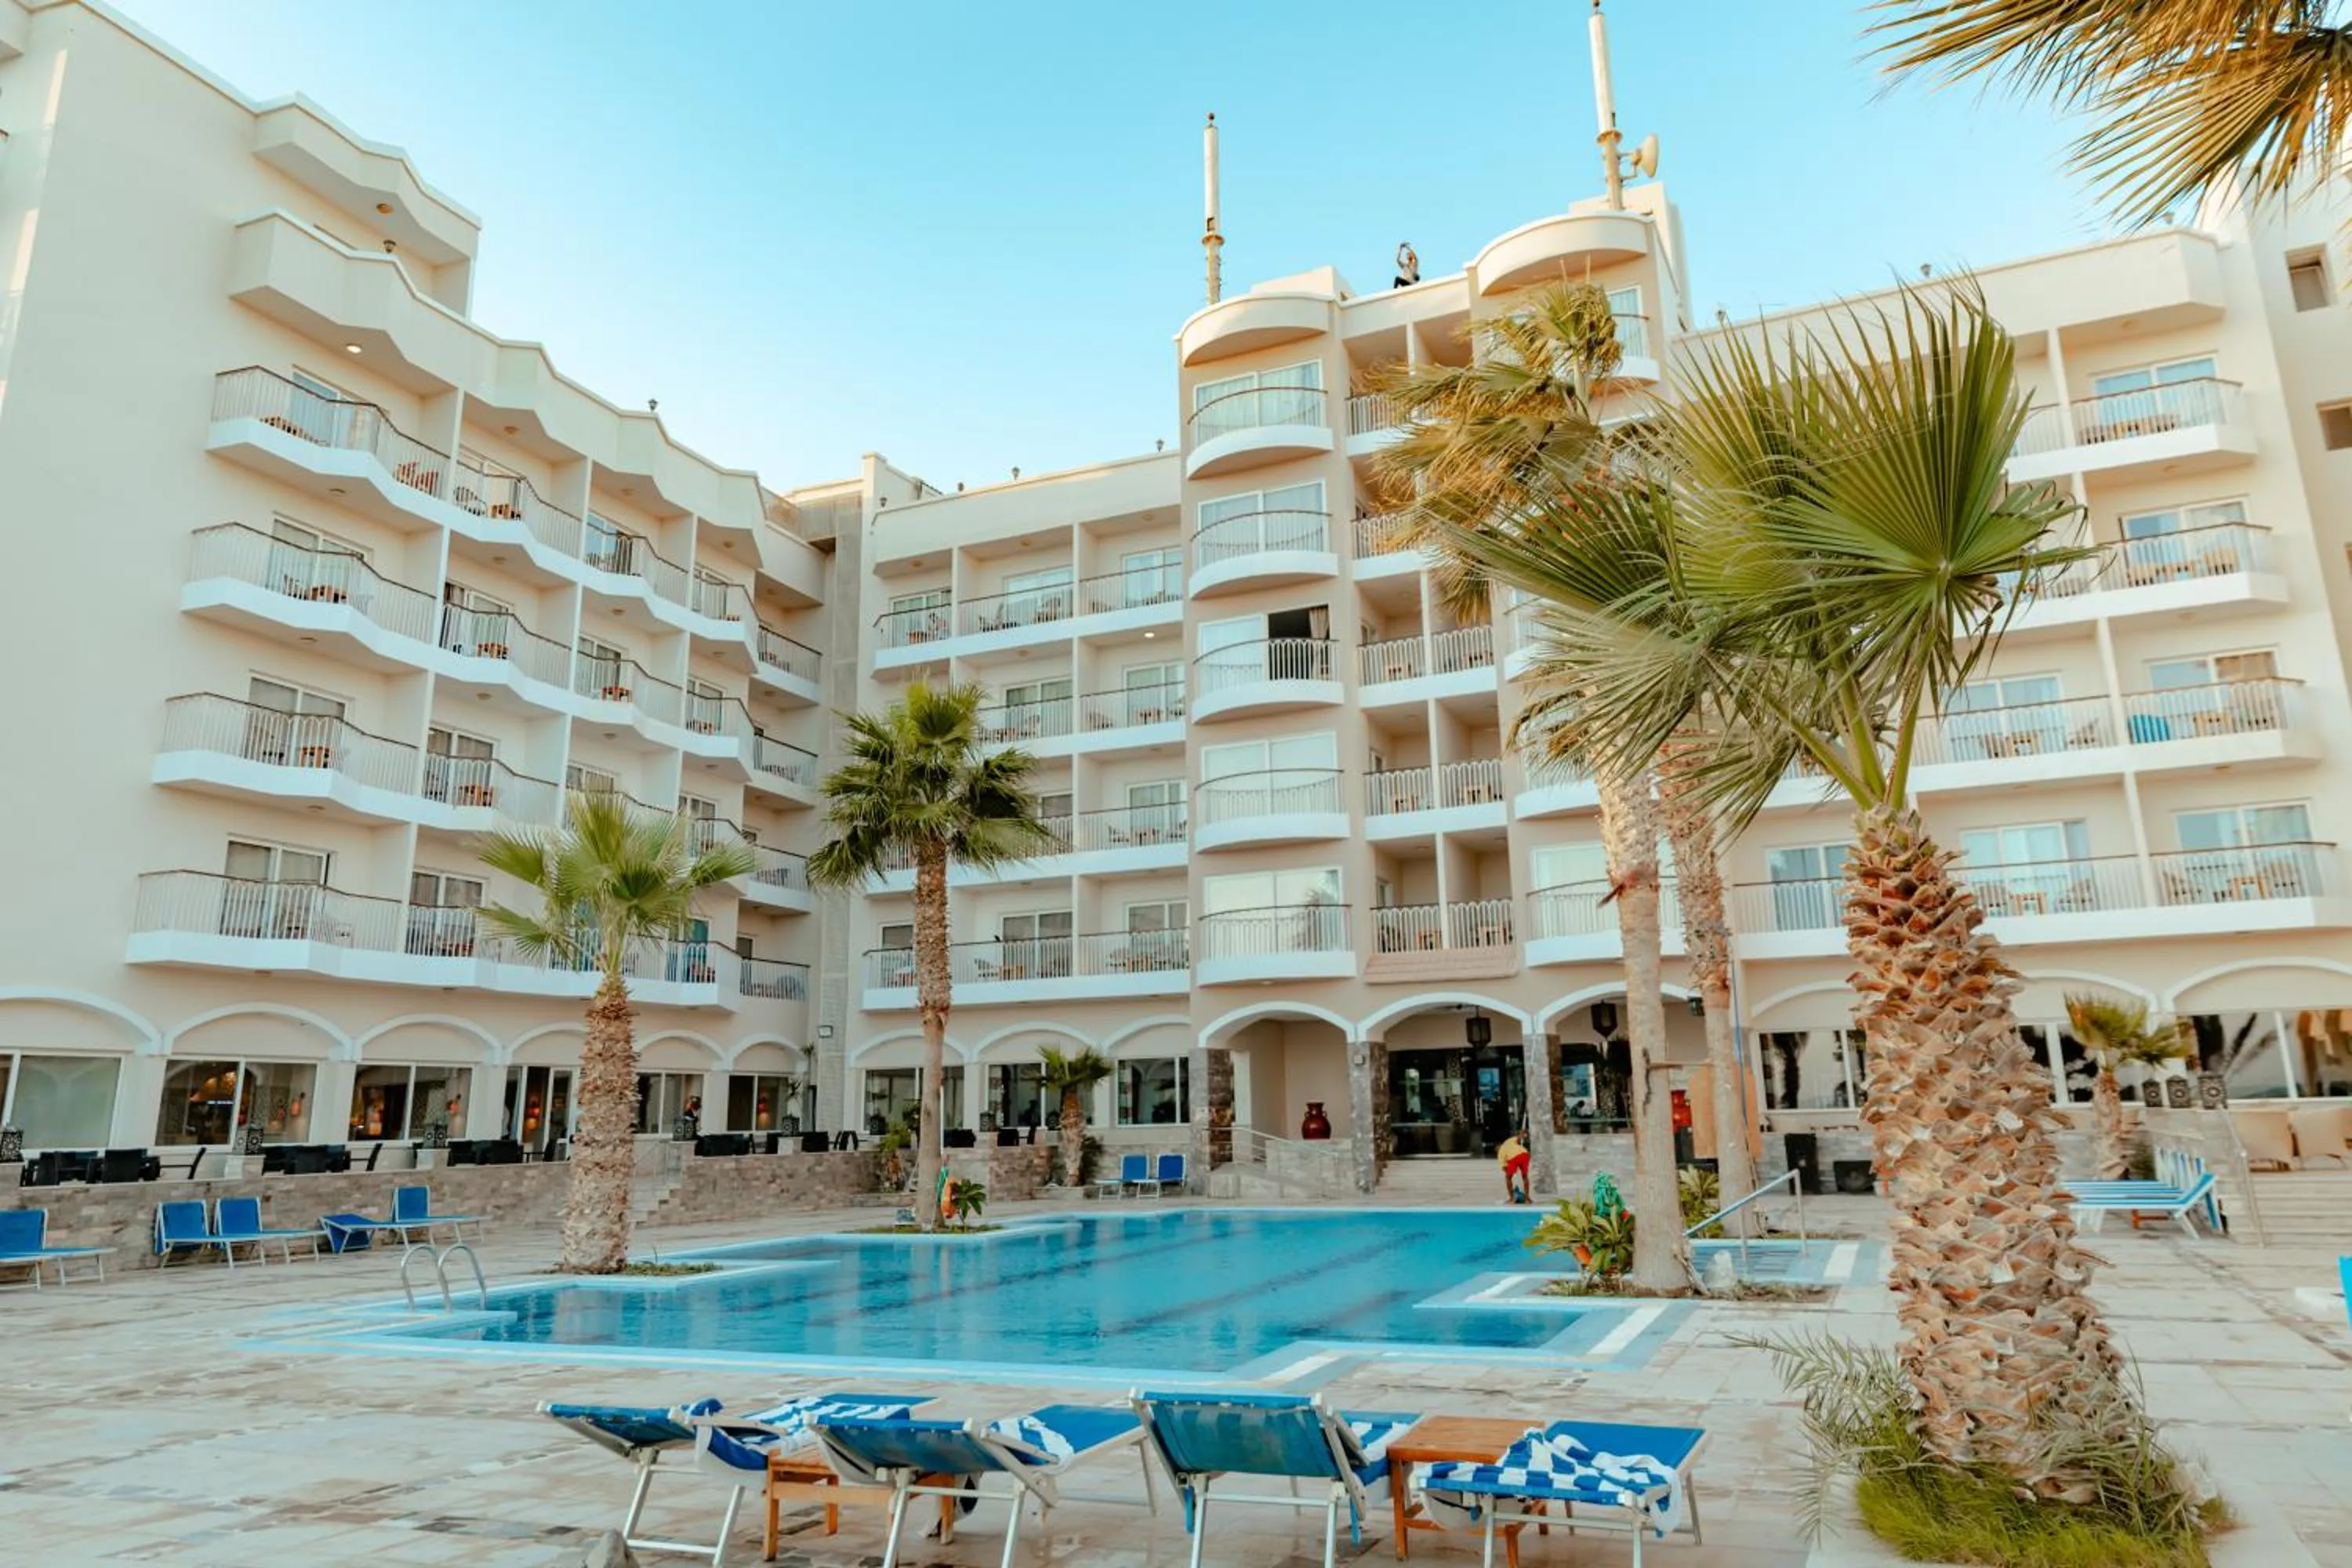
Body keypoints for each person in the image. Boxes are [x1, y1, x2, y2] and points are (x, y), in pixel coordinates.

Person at [1497, 1128, 1532, 1205]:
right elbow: (1519, 1138)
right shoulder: (1509, 1141)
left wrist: (1510, 1171)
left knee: (1508, 1178)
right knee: (1525, 1176)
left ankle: (1511, 1198)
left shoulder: (1500, 1154)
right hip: (1525, 1154)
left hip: (1514, 1157)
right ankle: (1527, 1199)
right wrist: (1524, 1133)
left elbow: (1505, 1169)